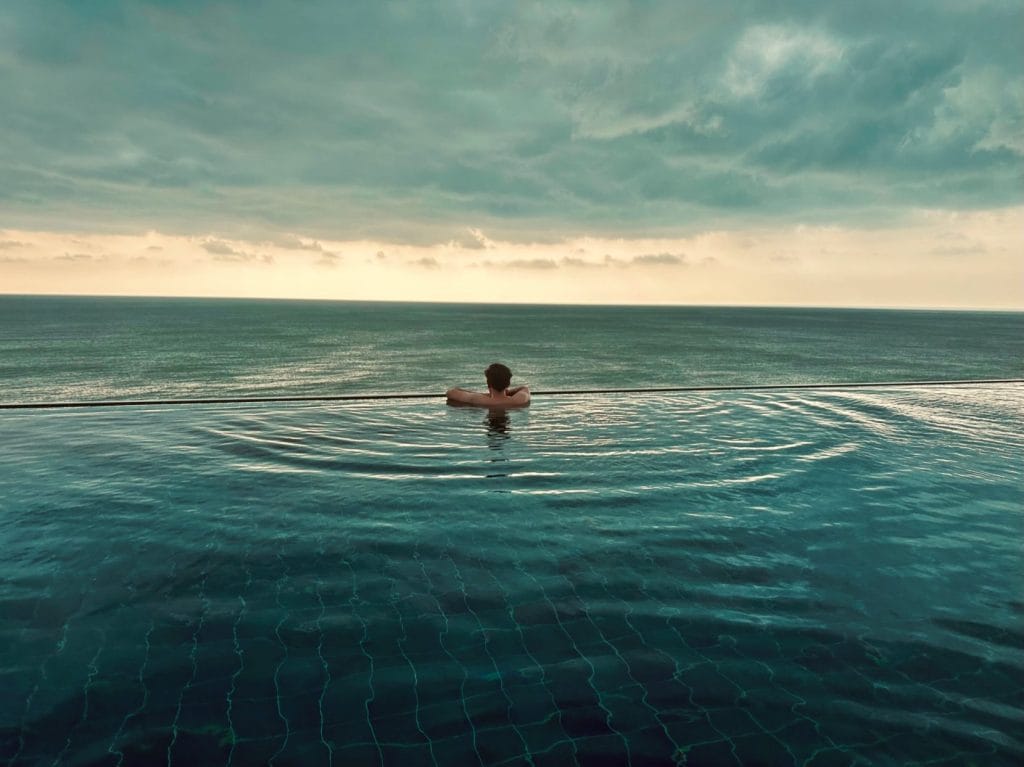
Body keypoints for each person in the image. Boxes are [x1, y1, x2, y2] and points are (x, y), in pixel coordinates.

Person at [446, 362, 531, 408]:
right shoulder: (519, 399)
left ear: (488, 384)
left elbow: (450, 392)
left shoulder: (478, 399)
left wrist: (484, 395)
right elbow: (524, 388)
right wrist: (507, 393)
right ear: (508, 383)